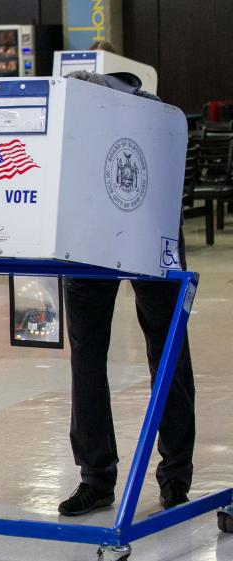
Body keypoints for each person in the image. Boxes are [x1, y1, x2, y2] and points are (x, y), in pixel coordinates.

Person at [58, 67, 195, 516]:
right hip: (85, 235)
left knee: (167, 344)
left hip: (148, 226)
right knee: (87, 354)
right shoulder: (67, 113)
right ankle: (96, 478)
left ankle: (176, 473)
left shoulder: (148, 113)